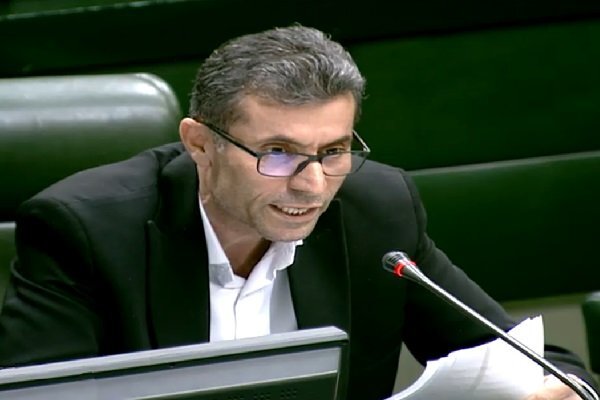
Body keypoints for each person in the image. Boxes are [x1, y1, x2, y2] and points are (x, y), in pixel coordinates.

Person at [0, 25, 596, 400]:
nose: (312, 185)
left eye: (334, 151)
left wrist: (558, 389)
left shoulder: (373, 211)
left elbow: (536, 361)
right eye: (278, 153)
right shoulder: (86, 230)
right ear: (200, 144)